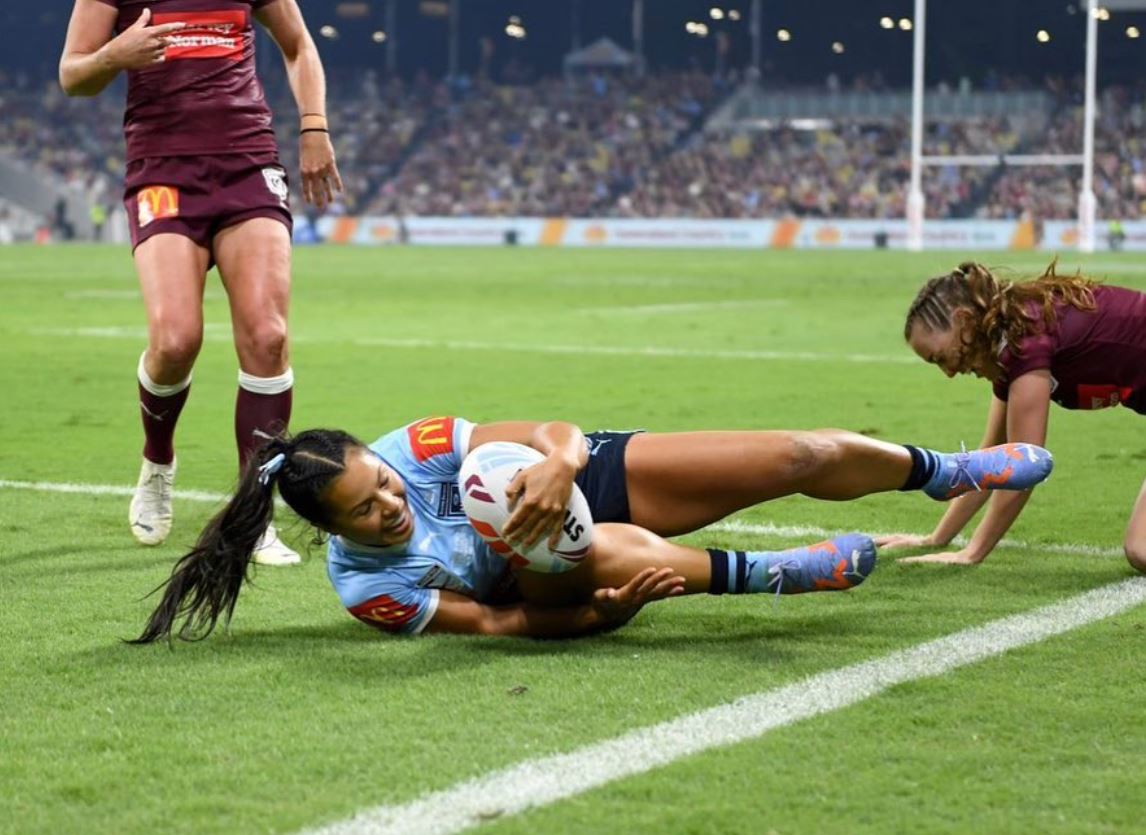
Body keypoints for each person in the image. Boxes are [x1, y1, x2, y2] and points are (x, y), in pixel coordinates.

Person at [133, 417, 1052, 642]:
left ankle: (945, 473)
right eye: (369, 512)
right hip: (540, 570)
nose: (393, 504)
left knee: (796, 456)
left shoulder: (408, 448)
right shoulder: (365, 588)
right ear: (335, 531)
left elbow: (547, 432)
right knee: (553, 545)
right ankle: (770, 573)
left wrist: (565, 466)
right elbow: (496, 627)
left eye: (384, 485)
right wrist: (602, 619)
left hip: (583, 471)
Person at [59, 0, 343, 564]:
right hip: (162, 169)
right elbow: (73, 75)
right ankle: (158, 459)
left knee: (267, 337)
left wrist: (314, 125)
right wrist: (116, 55)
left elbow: (298, 45)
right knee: (174, 341)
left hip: (247, 164)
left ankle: (253, 513)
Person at [883, 259, 1146, 569]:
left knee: (1140, 550)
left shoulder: (1026, 341)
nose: (949, 372)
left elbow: (1023, 467)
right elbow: (992, 459)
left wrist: (971, 553)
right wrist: (937, 538)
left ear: (964, 319)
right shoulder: (1011, 346)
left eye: (940, 357)